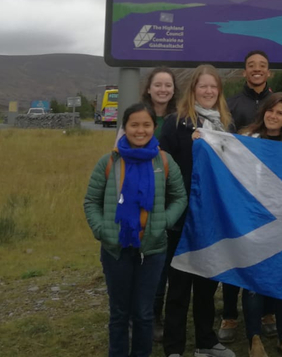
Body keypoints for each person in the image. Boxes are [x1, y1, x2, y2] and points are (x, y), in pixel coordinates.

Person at [84, 103, 187, 357]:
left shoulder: (164, 161)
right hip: (115, 250)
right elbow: (91, 202)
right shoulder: (108, 162)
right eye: (134, 125)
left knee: (143, 313)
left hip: (152, 250)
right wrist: (102, 230)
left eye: (146, 125)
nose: (140, 130)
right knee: (119, 313)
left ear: (154, 127)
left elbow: (179, 197)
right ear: (125, 128)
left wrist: (163, 221)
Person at [159, 65, 236, 357]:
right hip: (183, 218)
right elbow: (163, 167)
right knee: (178, 286)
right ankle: (174, 348)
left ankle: (205, 341)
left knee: (207, 283)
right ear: (193, 90)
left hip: (213, 219)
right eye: (203, 87)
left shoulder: (225, 126)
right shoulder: (175, 124)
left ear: (219, 91)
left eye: (213, 87)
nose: (208, 92)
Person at [238, 92, 282, 357]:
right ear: (263, 112)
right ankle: (254, 338)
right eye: (270, 111)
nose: (273, 116)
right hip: (254, 222)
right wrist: (203, 140)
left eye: (280, 113)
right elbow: (224, 155)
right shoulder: (247, 140)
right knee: (254, 281)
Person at [220, 51, 274, 343]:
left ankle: (268, 311)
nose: (256, 70)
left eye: (262, 66)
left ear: (269, 72)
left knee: (268, 252)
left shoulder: (277, 102)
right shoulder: (230, 104)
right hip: (239, 191)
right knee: (235, 252)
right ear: (244, 72)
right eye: (251, 66)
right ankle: (229, 314)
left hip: (271, 192)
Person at [142, 67, 182, 337]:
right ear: (149, 88)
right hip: (144, 196)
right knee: (149, 261)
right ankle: (150, 315)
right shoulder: (137, 116)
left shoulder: (181, 118)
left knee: (168, 261)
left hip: (173, 196)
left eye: (168, 85)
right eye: (158, 84)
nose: (163, 89)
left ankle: (165, 314)